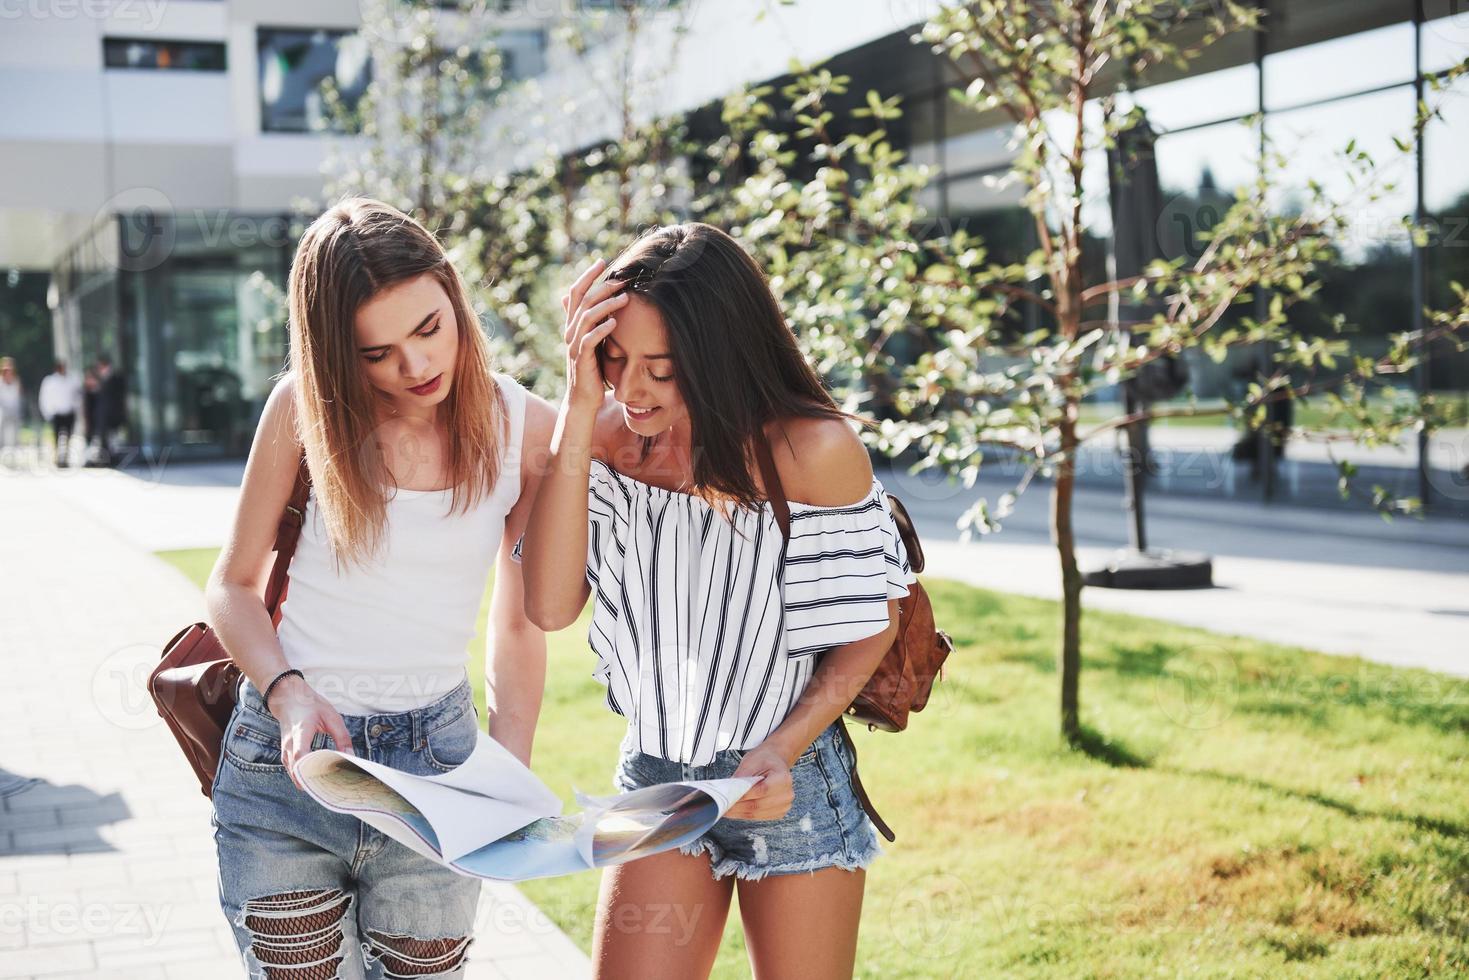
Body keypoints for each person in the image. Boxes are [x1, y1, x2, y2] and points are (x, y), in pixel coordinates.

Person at [520, 224, 916, 980]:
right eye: (614, 359)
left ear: (718, 356)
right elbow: (547, 607)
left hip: (787, 782)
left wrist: (781, 748)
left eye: (661, 370)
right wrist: (575, 411)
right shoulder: (604, 437)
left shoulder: (811, 452)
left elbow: (869, 630)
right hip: (656, 776)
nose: (631, 390)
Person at [204, 198, 555, 979]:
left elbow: (521, 620)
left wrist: (508, 776)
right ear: (338, 354)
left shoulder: (521, 425)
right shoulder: (303, 409)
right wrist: (291, 693)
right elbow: (230, 584)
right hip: (287, 771)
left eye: (430, 329)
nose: (417, 366)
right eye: (378, 353)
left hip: (441, 771)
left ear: (453, 293)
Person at [39, 360, 82, 467]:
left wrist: (76, 409)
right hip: (56, 413)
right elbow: (44, 398)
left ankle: (65, 458)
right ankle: (57, 459)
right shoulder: (49, 381)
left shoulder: (72, 379)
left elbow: (77, 396)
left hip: (69, 413)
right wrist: (48, 413)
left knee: (68, 437)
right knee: (56, 438)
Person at [90, 355, 126, 466]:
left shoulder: (116, 378)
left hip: (112, 415)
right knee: (105, 439)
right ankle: (106, 460)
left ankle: (113, 460)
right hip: (103, 415)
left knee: (113, 440)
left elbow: (118, 398)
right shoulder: (101, 379)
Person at [0, 356, 22, 456]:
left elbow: (19, 395)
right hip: (2, 411)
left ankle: (14, 453)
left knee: (15, 432)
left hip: (14, 410)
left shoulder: (16, 381)